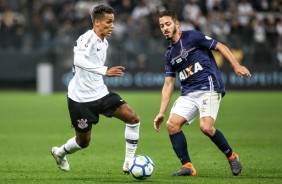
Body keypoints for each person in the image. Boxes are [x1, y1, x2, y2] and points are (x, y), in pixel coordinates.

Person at [153, 10, 251, 177]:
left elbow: (220, 46)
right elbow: (168, 83)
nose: (165, 28)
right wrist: (161, 112)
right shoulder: (169, 54)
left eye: (168, 24)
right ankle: (187, 166)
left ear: (177, 24)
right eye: (162, 26)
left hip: (209, 86)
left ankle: (232, 156)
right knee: (172, 125)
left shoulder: (193, 36)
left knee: (206, 127)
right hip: (188, 93)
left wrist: (236, 65)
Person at [51, 5, 140, 174]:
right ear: (97, 23)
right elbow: (78, 60)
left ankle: (129, 162)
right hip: (80, 99)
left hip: (101, 93)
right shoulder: (87, 38)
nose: (112, 25)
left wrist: (101, 74)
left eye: (113, 22)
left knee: (133, 118)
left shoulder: (104, 41)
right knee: (83, 142)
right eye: (109, 22)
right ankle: (60, 152)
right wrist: (105, 70)